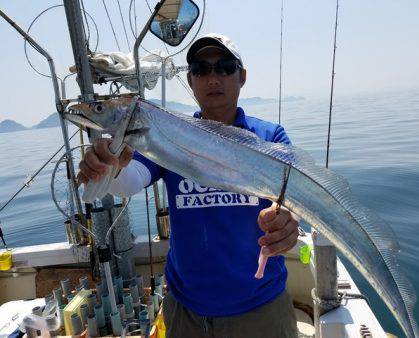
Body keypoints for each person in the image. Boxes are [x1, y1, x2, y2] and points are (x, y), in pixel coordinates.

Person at [78, 33, 299, 338]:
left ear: (242, 76)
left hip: (260, 309)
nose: (213, 78)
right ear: (191, 81)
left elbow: (290, 198)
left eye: (224, 67)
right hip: (186, 311)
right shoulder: (170, 134)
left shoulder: (270, 136)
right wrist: (111, 166)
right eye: (200, 69)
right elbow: (129, 182)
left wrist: (287, 220)